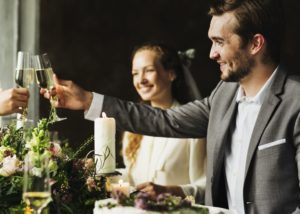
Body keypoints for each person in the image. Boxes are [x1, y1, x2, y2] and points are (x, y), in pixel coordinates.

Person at [42, 0, 300, 213]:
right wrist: (88, 100)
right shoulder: (224, 95)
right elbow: (163, 120)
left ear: (255, 44)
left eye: (220, 42)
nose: (212, 53)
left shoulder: (295, 101)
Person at [121, 42, 206, 202]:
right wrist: (105, 177)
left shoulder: (192, 126)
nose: (141, 80)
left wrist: (170, 191)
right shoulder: (134, 126)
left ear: (171, 74)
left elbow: (207, 187)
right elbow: (131, 177)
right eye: (135, 73)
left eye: (149, 71)